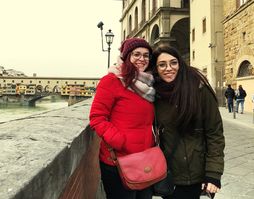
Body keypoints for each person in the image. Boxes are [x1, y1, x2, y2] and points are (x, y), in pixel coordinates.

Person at [151, 45, 225, 199]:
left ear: (180, 64)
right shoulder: (153, 94)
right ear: (156, 68)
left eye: (173, 63)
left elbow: (215, 133)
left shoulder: (199, 89)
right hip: (168, 173)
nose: (168, 68)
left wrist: (213, 173)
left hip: (195, 174)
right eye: (162, 64)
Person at [90, 38, 155, 199]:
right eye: (137, 54)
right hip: (118, 161)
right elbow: (97, 117)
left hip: (144, 159)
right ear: (126, 57)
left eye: (146, 55)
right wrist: (119, 141)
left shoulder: (148, 84)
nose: (142, 59)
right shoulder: (111, 81)